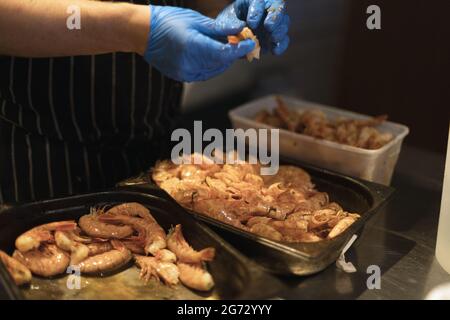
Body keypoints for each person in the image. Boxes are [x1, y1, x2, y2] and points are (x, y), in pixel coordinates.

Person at [0, 0, 290, 203]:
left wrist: (228, 14)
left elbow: (207, 4)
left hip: (155, 149)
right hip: (43, 154)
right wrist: (135, 28)